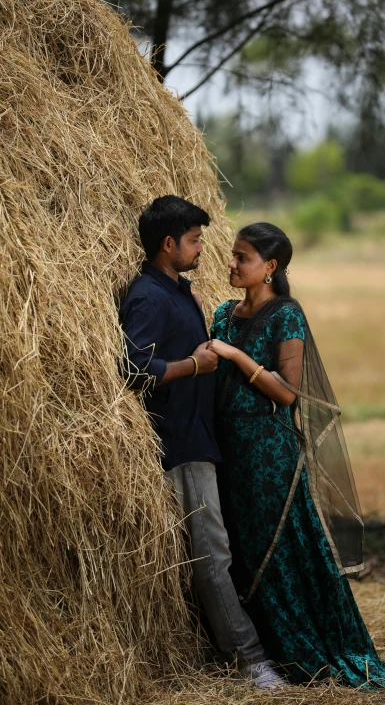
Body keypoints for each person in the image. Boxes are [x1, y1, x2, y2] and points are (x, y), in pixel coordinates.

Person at [208, 222, 385, 688]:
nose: (231, 263)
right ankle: (259, 652)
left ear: (269, 267)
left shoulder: (285, 314)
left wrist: (235, 356)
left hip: (270, 454)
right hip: (228, 451)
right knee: (240, 548)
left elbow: (289, 394)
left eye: (242, 257)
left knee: (280, 548)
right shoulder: (223, 314)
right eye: (232, 254)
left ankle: (299, 651)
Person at [119, 197, 287, 689]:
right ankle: (250, 659)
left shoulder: (180, 290)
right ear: (168, 244)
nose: (201, 249)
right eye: (193, 240)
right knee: (211, 552)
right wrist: (195, 366)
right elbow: (132, 369)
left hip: (201, 436)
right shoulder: (149, 297)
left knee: (217, 547)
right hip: (181, 441)